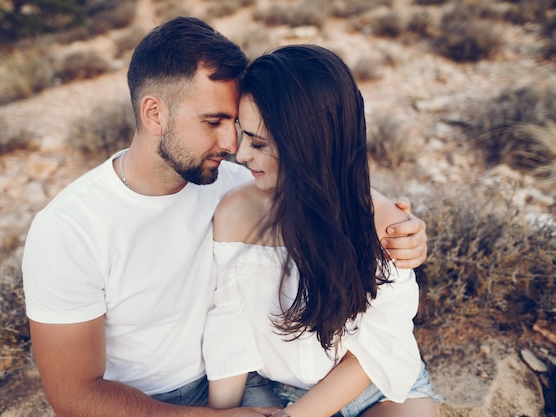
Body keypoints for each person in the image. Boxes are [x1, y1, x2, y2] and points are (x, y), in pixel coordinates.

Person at [21, 17, 429, 417]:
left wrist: (400, 229)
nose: (233, 145)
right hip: (153, 403)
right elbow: (74, 398)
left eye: (236, 124)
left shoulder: (234, 180)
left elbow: (323, 181)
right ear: (154, 114)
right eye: (213, 122)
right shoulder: (69, 229)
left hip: (268, 381)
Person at [203, 45, 440, 417]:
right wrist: (219, 415)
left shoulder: (383, 224)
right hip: (271, 385)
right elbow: (229, 330)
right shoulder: (234, 213)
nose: (242, 154)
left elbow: (376, 346)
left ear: (307, 147)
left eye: (258, 143)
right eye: (243, 135)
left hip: (375, 385)